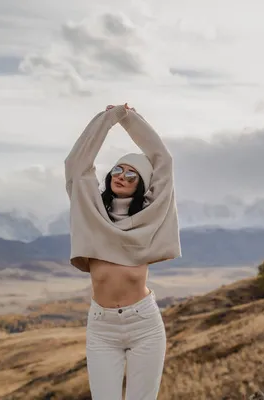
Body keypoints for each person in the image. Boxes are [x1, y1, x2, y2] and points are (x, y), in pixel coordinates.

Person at [64, 103, 181, 400]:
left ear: (142, 185)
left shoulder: (150, 217)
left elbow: (163, 161)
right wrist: (109, 119)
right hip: (102, 327)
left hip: (144, 324)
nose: (122, 176)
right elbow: (76, 165)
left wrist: (132, 120)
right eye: (118, 169)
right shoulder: (91, 210)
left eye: (132, 175)